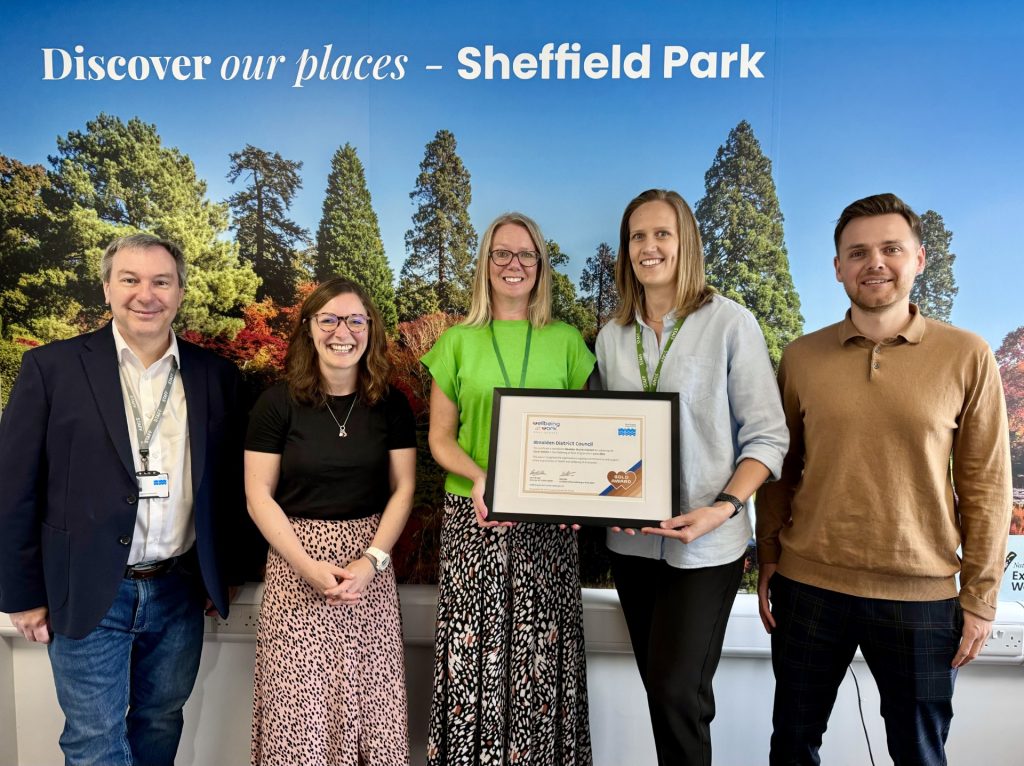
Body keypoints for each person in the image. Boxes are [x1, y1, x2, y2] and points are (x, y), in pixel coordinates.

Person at [757, 193, 1013, 765]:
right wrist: (768, 555)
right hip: (809, 587)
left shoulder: (967, 356)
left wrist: (980, 597)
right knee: (792, 746)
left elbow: (987, 486)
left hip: (921, 596)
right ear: (838, 268)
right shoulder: (800, 357)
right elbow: (780, 471)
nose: (875, 262)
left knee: (920, 754)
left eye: (890, 248)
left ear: (919, 258)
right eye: (858, 252)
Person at [0, 233, 247, 766]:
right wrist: (22, 593)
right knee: (94, 741)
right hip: (87, 589)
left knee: (161, 722)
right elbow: (13, 486)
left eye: (161, 281)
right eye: (130, 280)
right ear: (107, 288)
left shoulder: (216, 376)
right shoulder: (52, 369)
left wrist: (217, 572)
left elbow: (227, 486)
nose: (146, 294)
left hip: (178, 590)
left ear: (180, 292)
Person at [595, 188, 789, 765]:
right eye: (637, 236)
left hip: (707, 544)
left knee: (680, 688)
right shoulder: (611, 335)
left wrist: (724, 507)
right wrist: (608, 502)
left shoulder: (731, 323)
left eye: (662, 234)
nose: (649, 247)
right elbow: (605, 437)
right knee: (664, 688)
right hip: (632, 546)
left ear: (687, 243)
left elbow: (768, 437)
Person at [423, 212, 596, 765]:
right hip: (474, 519)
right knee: (476, 659)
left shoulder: (568, 342)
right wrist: (482, 479)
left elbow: (586, 439)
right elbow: (440, 440)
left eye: (526, 255)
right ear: (486, 263)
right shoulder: (455, 342)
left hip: (547, 528)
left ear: (541, 265)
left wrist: (578, 495)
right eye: (502, 254)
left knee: (541, 662)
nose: (514, 265)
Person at [244, 277, 416, 766]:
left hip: (370, 573)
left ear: (371, 329)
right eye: (330, 319)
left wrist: (371, 562)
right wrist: (306, 565)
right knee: (298, 726)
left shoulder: (392, 403)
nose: (343, 331)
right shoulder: (276, 404)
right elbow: (258, 495)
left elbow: (403, 488)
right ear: (309, 329)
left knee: (374, 719)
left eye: (356, 319)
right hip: (296, 569)